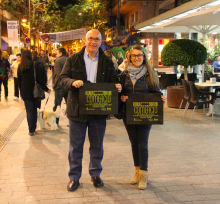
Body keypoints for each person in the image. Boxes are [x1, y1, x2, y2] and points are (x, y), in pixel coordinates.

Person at [60, 29, 122, 192]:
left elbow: (114, 80)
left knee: (97, 145)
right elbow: (62, 79)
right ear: (85, 40)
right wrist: (72, 82)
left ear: (101, 41)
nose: (93, 42)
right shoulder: (73, 59)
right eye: (90, 39)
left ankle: (95, 173)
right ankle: (74, 177)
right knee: (75, 146)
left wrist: (117, 86)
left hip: (98, 110)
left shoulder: (107, 61)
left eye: (97, 39)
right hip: (77, 109)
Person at [120, 45, 165, 190]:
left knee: (142, 144)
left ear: (144, 57)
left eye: (139, 55)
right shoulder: (124, 74)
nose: (136, 58)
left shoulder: (150, 73)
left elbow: (156, 91)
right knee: (134, 144)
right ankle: (136, 173)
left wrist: (160, 98)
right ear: (129, 57)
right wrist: (121, 97)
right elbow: (119, 92)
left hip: (145, 113)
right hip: (128, 113)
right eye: (133, 55)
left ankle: (144, 176)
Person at [17, 50, 50, 136]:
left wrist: (21, 92)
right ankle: (34, 128)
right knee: (35, 110)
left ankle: (31, 130)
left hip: (25, 92)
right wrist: (46, 89)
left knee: (29, 111)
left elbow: (19, 82)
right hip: (36, 92)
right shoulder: (35, 65)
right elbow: (40, 80)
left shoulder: (20, 66)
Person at [52, 47, 68, 126]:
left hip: (59, 86)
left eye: (57, 53)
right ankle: (72, 123)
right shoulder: (70, 59)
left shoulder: (57, 61)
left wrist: (54, 85)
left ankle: (55, 122)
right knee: (70, 104)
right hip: (68, 86)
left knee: (57, 104)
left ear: (61, 53)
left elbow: (57, 74)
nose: (56, 55)